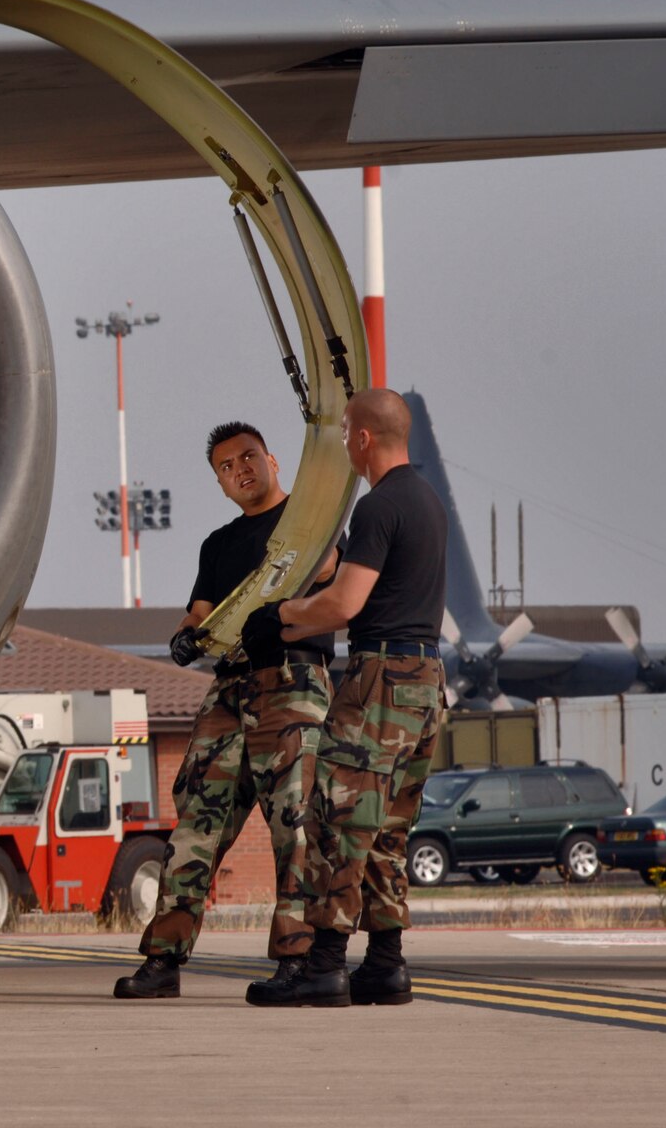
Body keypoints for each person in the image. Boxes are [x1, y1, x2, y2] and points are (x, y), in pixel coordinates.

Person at [113, 421, 334, 1000]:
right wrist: (184, 638)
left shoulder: (310, 523)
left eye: (248, 458)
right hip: (229, 687)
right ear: (220, 483)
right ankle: (163, 961)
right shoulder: (217, 544)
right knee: (195, 824)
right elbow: (200, 613)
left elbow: (333, 580)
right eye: (226, 468)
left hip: (292, 678)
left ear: (273, 460)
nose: (240, 470)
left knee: (295, 823)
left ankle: (297, 960)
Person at [246, 387, 447, 1008]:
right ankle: (386, 965)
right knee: (387, 828)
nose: (344, 446)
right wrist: (284, 630)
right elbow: (370, 610)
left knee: (336, 822)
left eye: (345, 435)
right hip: (425, 681)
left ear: (363, 438)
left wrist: (279, 611)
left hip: (378, 684)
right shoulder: (429, 503)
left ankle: (324, 966)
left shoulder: (379, 506)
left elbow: (345, 603)